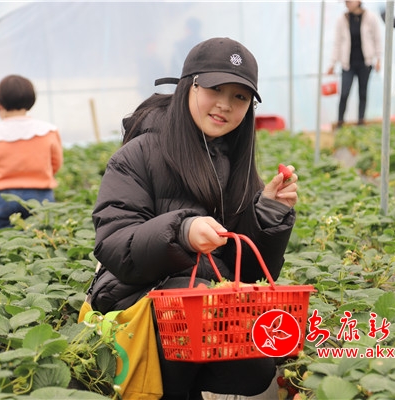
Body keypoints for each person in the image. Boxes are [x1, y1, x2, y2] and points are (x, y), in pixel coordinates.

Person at [86, 37, 299, 399]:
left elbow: (249, 276)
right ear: (189, 85)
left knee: (258, 366)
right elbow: (115, 244)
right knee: (190, 304)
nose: (225, 105)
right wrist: (181, 232)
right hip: (136, 298)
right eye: (215, 89)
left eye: (239, 97)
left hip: (201, 310)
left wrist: (266, 214)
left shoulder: (236, 164)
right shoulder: (140, 153)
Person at [0, 74, 63, 229]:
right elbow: (56, 163)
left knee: (3, 234)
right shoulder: (47, 131)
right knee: (41, 233)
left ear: (0, 105)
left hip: (1, 196)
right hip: (40, 193)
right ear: (31, 101)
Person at [328, 0, 382, 128]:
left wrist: (378, 59)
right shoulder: (342, 19)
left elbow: (377, 39)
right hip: (348, 63)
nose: (347, 4)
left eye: (349, 1)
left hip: (365, 63)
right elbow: (337, 43)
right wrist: (332, 63)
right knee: (344, 93)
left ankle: (361, 122)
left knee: (362, 93)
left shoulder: (370, 18)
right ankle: (340, 122)